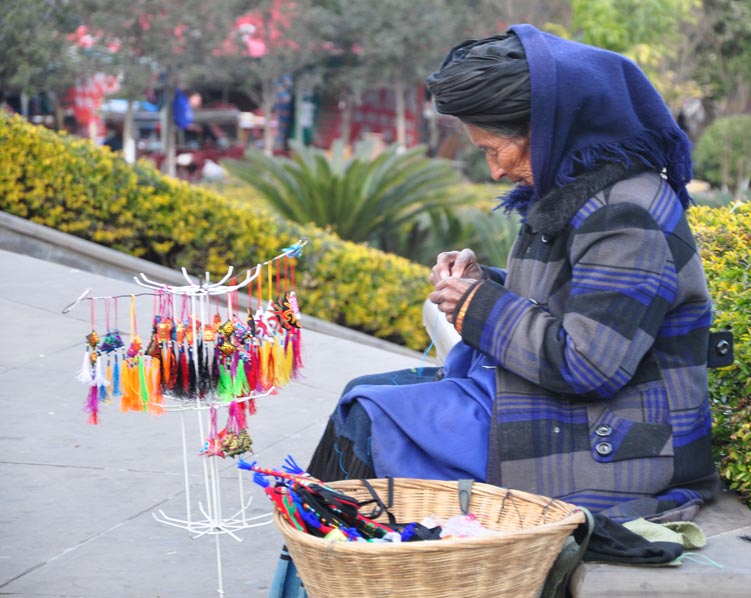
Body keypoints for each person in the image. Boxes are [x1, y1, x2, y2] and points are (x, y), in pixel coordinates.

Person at [269, 24, 718, 597]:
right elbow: (573, 303)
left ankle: (326, 578)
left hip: (614, 439)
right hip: (572, 410)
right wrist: (485, 285)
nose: (495, 171)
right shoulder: (582, 191)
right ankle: (330, 574)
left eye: (493, 149)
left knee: (368, 415)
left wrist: (477, 304)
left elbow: (588, 362)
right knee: (365, 391)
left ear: (550, 128)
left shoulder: (624, 213)